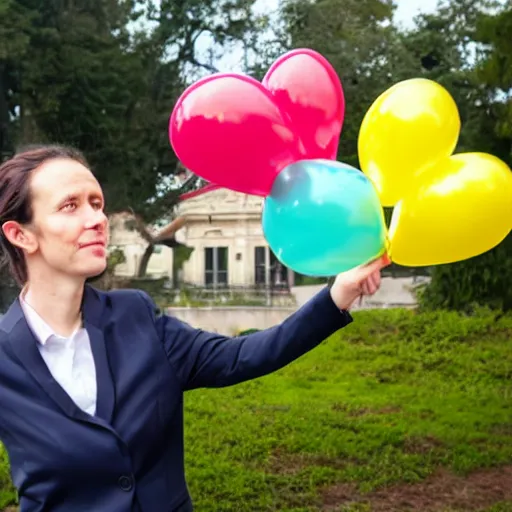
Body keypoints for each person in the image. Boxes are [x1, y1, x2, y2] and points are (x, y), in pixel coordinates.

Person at [0, 145, 389, 512]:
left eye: (97, 203)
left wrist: (337, 294)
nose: (97, 219)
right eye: (70, 206)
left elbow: (241, 356)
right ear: (21, 234)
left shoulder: (136, 316)